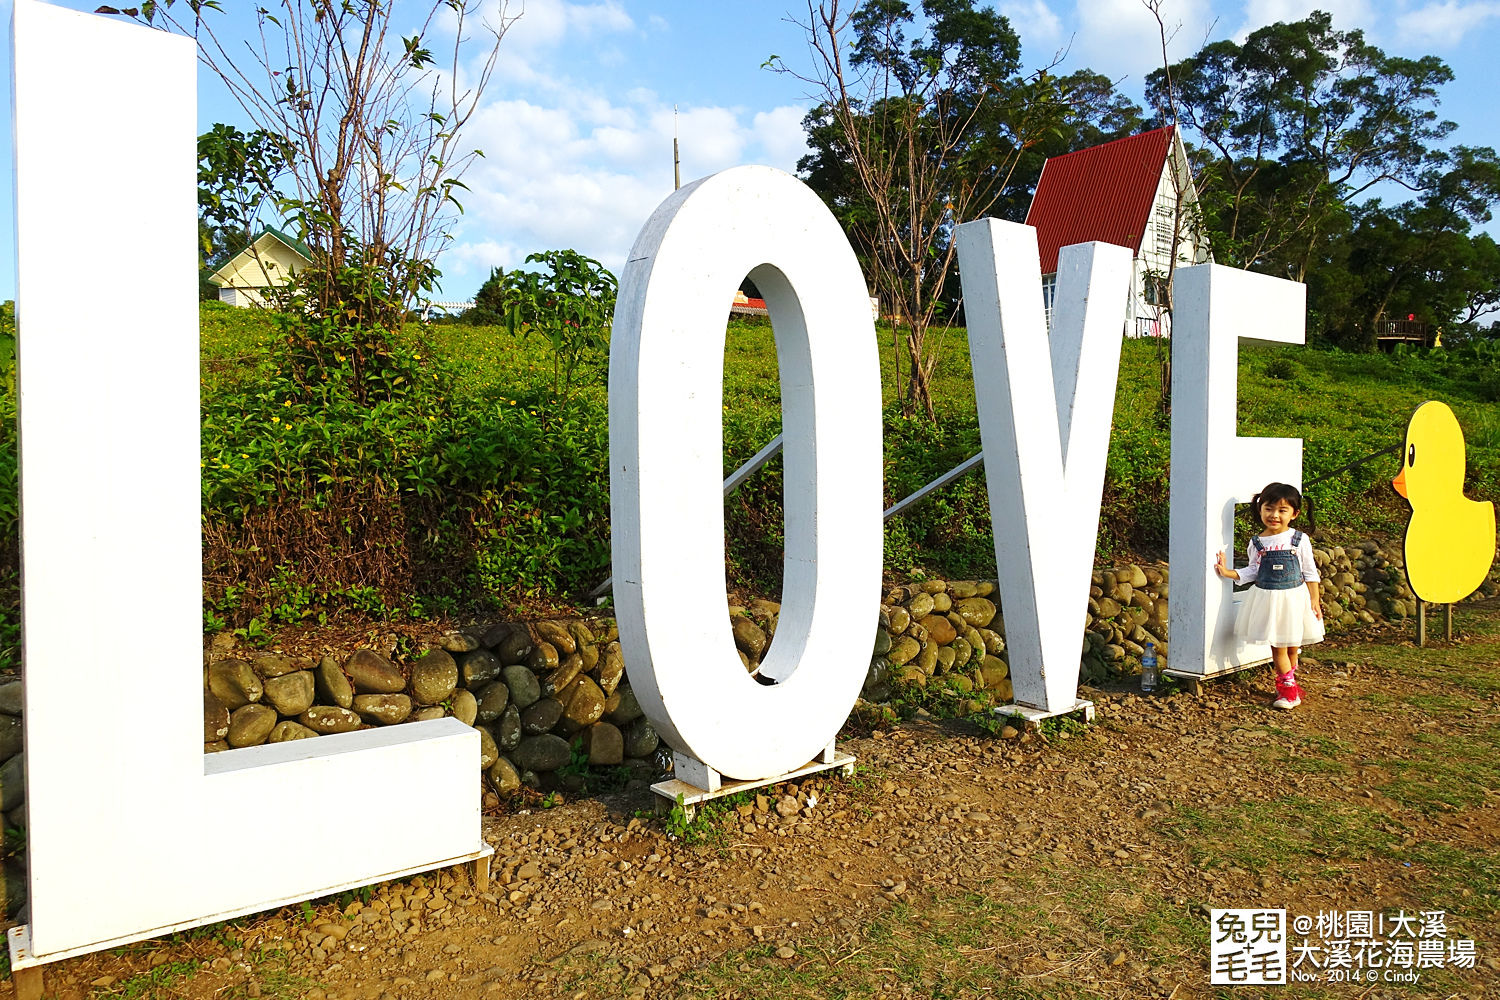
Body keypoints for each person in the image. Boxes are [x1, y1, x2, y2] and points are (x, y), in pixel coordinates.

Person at [1213, 482, 1324, 710]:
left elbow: (1310, 572)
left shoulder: (1299, 539)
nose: (1274, 515)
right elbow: (1253, 570)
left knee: (1292, 646)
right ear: (1260, 509)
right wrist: (1227, 572)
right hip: (1269, 600)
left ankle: (1287, 683)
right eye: (1269, 508)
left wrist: (1315, 599)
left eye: (1282, 511)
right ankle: (1289, 691)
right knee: (1278, 646)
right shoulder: (1257, 542)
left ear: (1294, 514)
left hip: (1294, 600)